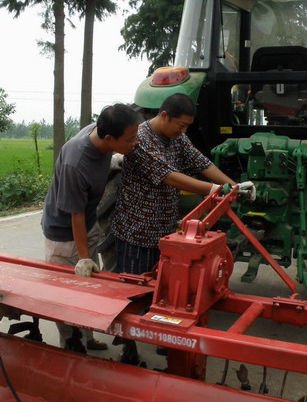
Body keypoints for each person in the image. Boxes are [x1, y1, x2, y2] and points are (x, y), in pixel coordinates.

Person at [111, 93, 254, 275]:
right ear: (165, 116)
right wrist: (215, 189)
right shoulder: (140, 139)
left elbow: (202, 163)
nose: (184, 131)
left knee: (161, 288)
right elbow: (169, 176)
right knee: (135, 287)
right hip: (138, 236)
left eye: (187, 126)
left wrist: (235, 187)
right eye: (181, 125)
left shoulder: (177, 138)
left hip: (166, 234)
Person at [42, 103, 140, 351]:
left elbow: (83, 214)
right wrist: (83, 257)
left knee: (88, 287)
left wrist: (114, 160)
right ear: (109, 139)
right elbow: (74, 215)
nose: (135, 142)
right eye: (130, 139)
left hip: (88, 220)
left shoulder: (99, 131)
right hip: (64, 234)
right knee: (67, 293)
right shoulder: (75, 162)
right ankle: (71, 346)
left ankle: (87, 337)